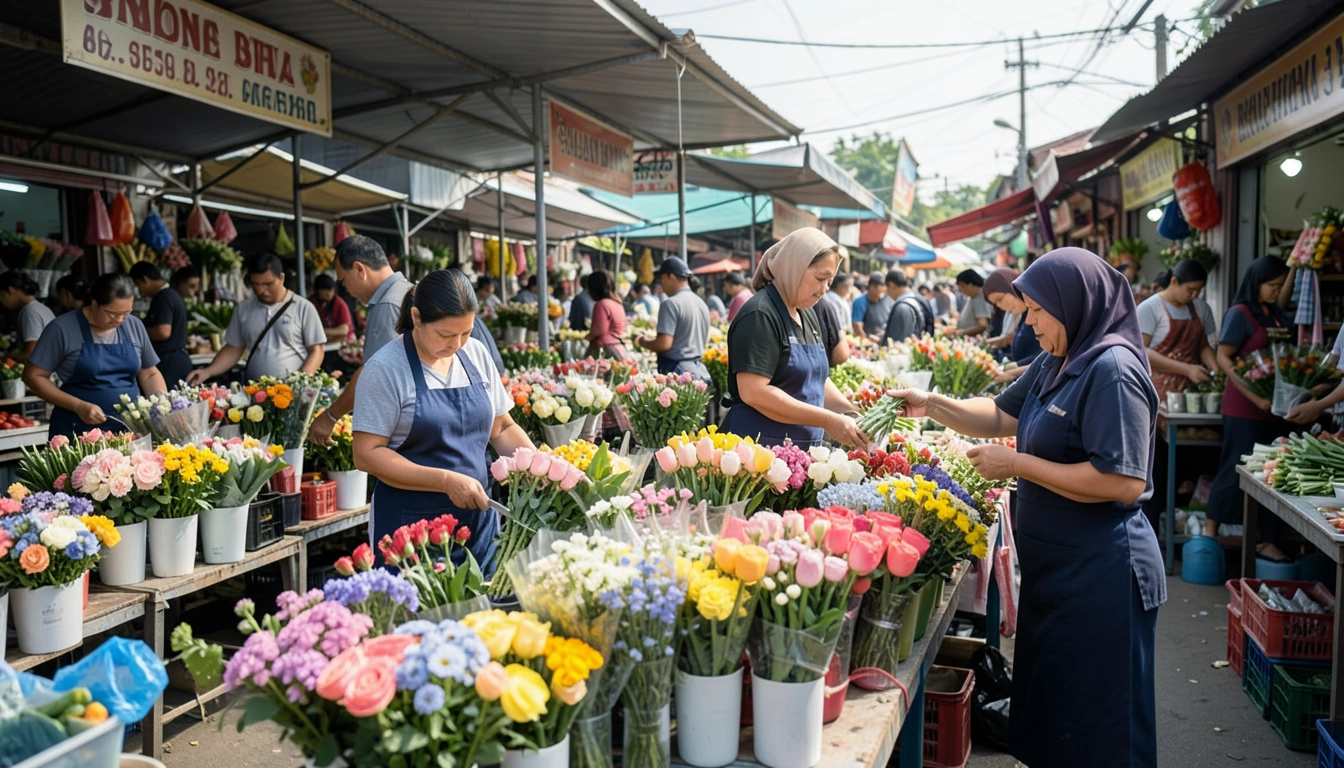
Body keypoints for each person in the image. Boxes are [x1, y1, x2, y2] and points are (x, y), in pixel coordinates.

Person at [891, 248, 1163, 768]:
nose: (1027, 320)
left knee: (1102, 724)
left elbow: (1122, 482)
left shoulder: (1112, 370)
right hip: (1056, 570)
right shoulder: (1057, 359)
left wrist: (1018, 466)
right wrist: (934, 405)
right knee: (1057, 715)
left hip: (1104, 573)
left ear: (1074, 303)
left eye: (1037, 310)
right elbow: (997, 416)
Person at [353, 269, 533, 575]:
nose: (458, 344)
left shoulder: (474, 354)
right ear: (417, 318)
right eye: (446, 335)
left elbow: (501, 427)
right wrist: (446, 481)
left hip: (478, 526)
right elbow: (366, 453)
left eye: (466, 333)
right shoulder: (385, 368)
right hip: (411, 532)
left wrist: (541, 467)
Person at [724, 229, 865, 448]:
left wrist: (851, 414)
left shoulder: (805, 312)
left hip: (799, 454)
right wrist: (827, 419)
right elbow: (754, 392)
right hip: (759, 453)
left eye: (829, 281)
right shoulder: (760, 315)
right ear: (794, 268)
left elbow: (816, 380)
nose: (824, 290)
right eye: (820, 279)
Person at [1205, 256, 1295, 554]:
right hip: (1244, 406)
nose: (1276, 290)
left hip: (1274, 408)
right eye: (1272, 285)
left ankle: (1263, 539)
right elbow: (1223, 357)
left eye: (1280, 286)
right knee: (1235, 468)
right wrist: (1255, 396)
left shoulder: (1276, 315)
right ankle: (1209, 532)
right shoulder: (1240, 314)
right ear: (1256, 283)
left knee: (1270, 473)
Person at [26, 273, 167, 438]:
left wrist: (162, 405)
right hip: (78, 429)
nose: (120, 319)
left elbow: (149, 373)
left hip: (129, 429)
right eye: (113, 314)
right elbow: (33, 376)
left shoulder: (134, 325)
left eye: (126, 313)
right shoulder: (61, 329)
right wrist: (78, 406)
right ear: (94, 304)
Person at [309, 235, 415, 445]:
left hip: (402, 430)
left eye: (343, 280)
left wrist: (330, 416)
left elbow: (373, 374)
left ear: (359, 269)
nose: (345, 290)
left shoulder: (388, 305)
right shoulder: (405, 291)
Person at [187, 254, 325, 384]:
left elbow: (317, 350)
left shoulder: (303, 307)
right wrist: (207, 371)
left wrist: (302, 379)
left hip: (292, 392)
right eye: (255, 284)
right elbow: (234, 348)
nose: (261, 290)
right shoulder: (243, 309)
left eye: (268, 284)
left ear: (281, 278)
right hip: (255, 392)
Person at [1138, 260, 1219, 412]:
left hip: (1192, 390)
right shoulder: (1149, 308)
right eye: (1190, 290)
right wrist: (1186, 369)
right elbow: (1142, 351)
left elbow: (1203, 346)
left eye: (1199, 291)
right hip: (1157, 390)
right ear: (1174, 281)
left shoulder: (1201, 308)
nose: (1194, 295)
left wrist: (1217, 373)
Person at [637, 257, 710, 379]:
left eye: (662, 279)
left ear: (671, 277)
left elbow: (664, 344)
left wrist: (642, 341)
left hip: (677, 372)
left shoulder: (670, 303)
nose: (661, 284)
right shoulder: (701, 303)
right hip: (698, 370)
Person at [128, 263, 191, 386]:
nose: (140, 291)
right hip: (178, 359)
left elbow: (163, 332)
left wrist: (136, 331)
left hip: (169, 362)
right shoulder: (173, 294)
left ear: (145, 280)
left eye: (138, 285)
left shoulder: (163, 296)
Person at [982, 268, 1041, 383]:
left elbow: (1049, 356)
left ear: (1011, 287)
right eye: (995, 303)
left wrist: (1015, 368)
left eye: (999, 299)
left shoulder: (1039, 313)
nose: (999, 306)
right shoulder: (1023, 314)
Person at [0, 272, 54, 362]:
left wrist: (6, 359)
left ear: (11, 290)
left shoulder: (30, 312)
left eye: (2, 296)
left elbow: (31, 352)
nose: (1, 301)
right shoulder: (41, 308)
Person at [585, 270, 631, 361]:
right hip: (618, 347)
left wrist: (586, 338)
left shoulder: (601, 304)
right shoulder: (617, 303)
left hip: (605, 349)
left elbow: (599, 330)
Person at [882, 270, 934, 345]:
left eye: (887, 288)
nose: (887, 292)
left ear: (891, 285)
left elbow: (897, 343)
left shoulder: (902, 306)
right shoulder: (920, 299)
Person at [310, 274, 355, 343]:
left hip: (343, 343)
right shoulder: (311, 303)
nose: (329, 294)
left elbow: (344, 330)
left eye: (331, 291)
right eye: (325, 290)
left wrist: (322, 331)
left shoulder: (339, 303)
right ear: (317, 290)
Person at [852, 271, 894, 340]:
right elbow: (857, 326)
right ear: (873, 287)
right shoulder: (860, 301)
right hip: (870, 339)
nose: (885, 291)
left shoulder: (888, 298)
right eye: (883, 287)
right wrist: (867, 341)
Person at [952, 270, 992, 337]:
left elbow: (983, 325)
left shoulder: (980, 297)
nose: (962, 291)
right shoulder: (972, 297)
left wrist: (962, 332)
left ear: (970, 285)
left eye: (962, 287)